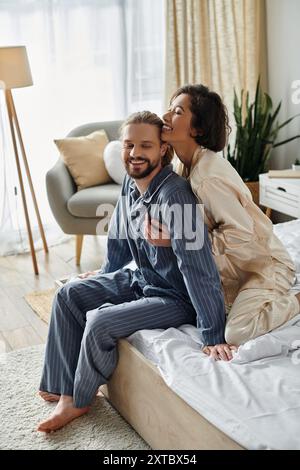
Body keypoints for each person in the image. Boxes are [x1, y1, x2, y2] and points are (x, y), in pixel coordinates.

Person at [37, 110, 226, 433]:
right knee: (69, 294)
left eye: (145, 146)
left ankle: (78, 400)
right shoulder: (130, 182)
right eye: (128, 145)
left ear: (162, 150)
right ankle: (58, 384)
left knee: (99, 321)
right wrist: (105, 273)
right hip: (143, 278)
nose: (135, 153)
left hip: (175, 297)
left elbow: (199, 270)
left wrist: (213, 333)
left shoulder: (175, 196)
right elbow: (120, 236)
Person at [145, 84, 300, 360]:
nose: (166, 115)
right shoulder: (186, 165)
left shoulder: (208, 177)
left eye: (177, 111)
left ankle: (297, 300)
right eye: (170, 107)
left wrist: (177, 239)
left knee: (237, 332)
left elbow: (241, 236)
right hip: (238, 269)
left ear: (198, 129)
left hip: (265, 265)